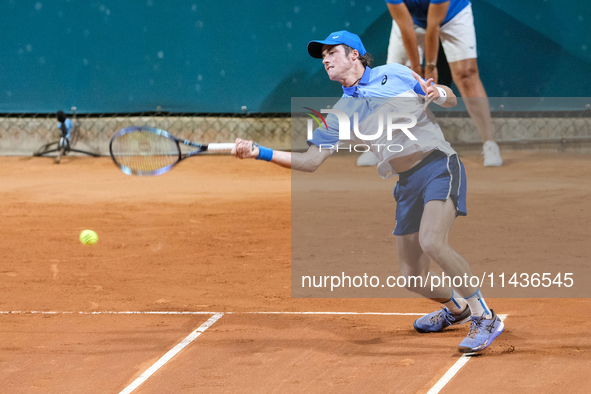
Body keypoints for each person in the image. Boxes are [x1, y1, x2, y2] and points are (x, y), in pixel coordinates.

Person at [232, 30, 504, 353]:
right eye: (323, 56)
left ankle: (483, 315)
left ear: (354, 55)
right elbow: (310, 161)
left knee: (431, 240)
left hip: (437, 165)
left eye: (332, 53)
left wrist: (440, 93)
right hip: (406, 184)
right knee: (413, 278)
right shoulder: (340, 113)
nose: (325, 60)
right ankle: (456, 309)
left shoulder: (395, 74)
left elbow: (448, 97)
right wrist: (260, 152)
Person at [358, 0, 502, 167]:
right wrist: (416, 68)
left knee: (466, 75)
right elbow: (406, 27)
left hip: (453, 15)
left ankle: (489, 143)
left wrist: (430, 66)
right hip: (411, 20)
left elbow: (433, 26)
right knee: (391, 80)